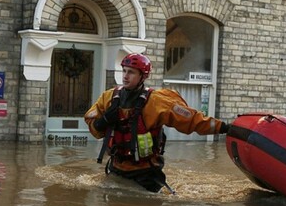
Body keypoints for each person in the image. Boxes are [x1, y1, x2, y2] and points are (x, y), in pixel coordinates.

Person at [84, 53, 229, 194]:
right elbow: (91, 122)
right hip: (116, 167)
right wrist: (104, 121)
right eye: (124, 71)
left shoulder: (157, 101)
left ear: (143, 76)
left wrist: (223, 128)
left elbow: (192, 120)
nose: (125, 76)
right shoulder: (108, 97)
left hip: (146, 172)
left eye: (131, 72)